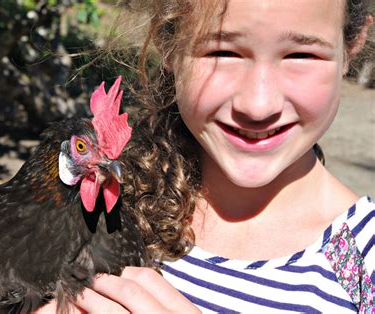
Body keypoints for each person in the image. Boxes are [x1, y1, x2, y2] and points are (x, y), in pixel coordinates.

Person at [38, 0, 374, 312]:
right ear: (168, 42)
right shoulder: (86, 200)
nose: (258, 106)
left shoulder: (365, 266)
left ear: (352, 44)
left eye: (301, 55)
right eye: (223, 52)